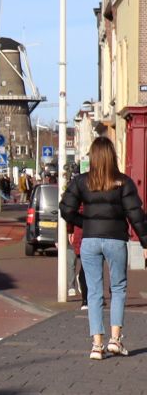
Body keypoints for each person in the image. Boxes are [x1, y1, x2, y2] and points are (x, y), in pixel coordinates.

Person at [59, 136, 147, 360]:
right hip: (116, 239)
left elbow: (66, 209)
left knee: (94, 291)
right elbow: (136, 216)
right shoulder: (123, 182)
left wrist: (83, 223)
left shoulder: (81, 182)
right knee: (118, 288)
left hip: (90, 241)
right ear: (112, 156)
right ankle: (115, 340)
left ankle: (96, 345)